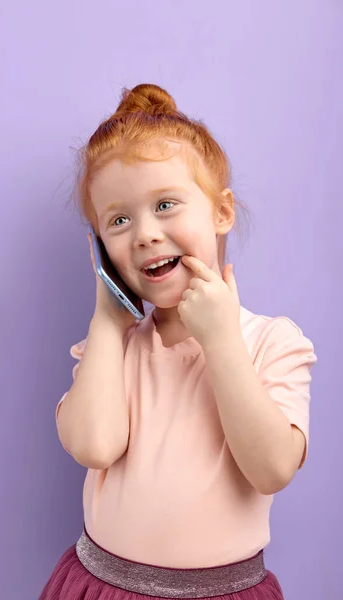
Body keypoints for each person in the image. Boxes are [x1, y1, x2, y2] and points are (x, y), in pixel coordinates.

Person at [40, 83, 317, 599]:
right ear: (100, 248)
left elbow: (273, 468)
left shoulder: (272, 342)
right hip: (101, 586)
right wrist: (107, 317)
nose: (144, 233)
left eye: (165, 204)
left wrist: (221, 342)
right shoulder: (110, 350)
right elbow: (94, 445)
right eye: (118, 220)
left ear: (221, 213)